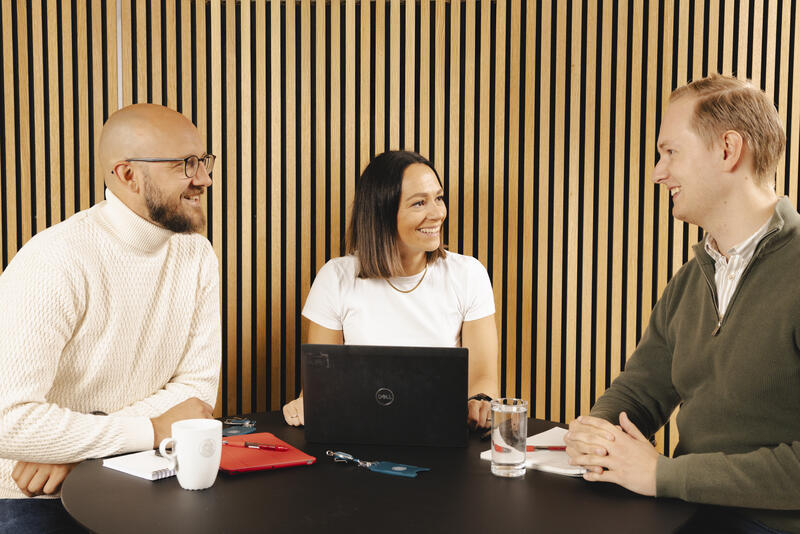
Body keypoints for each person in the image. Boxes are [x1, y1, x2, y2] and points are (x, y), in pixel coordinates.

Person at [564, 74, 800, 532]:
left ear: (728, 150)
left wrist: (663, 474)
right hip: (688, 510)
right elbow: (641, 389)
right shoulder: (693, 278)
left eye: (670, 152)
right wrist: (597, 429)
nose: (657, 171)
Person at [0, 104, 222, 532]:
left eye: (203, 161)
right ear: (127, 175)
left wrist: (77, 447)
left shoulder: (197, 255)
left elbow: (195, 396)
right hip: (35, 497)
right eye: (186, 165)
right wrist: (151, 428)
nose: (204, 179)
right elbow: (9, 421)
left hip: (141, 475)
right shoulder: (54, 260)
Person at [283, 150, 498, 429]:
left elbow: (483, 377)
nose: (437, 213)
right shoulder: (335, 278)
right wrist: (307, 402)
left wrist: (480, 400)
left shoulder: (468, 274)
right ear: (382, 212)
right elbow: (319, 384)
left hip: (442, 435)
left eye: (439, 198)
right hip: (358, 436)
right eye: (419, 203)